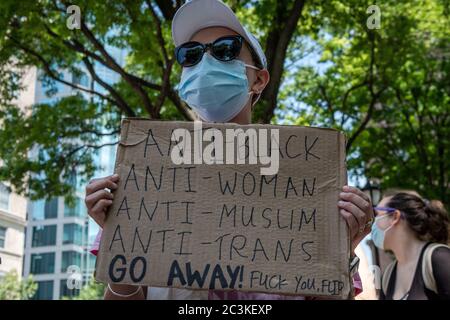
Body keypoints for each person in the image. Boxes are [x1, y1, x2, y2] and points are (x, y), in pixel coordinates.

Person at [85, 0, 374, 300]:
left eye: (225, 50)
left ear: (259, 79)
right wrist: (121, 249)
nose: (205, 64)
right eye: (191, 56)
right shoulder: (145, 182)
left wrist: (341, 250)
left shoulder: (309, 184)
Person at [372, 192, 450, 300]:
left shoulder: (438, 258)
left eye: (377, 214)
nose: (373, 222)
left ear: (395, 216)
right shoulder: (388, 276)